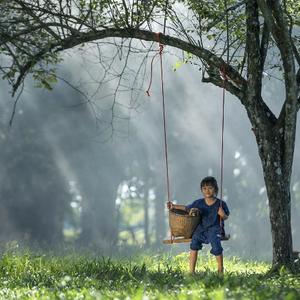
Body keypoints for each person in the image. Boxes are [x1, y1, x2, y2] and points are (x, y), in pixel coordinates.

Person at [167, 176, 230, 274]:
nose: (207, 191)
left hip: (215, 228)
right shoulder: (199, 203)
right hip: (201, 228)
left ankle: (220, 269)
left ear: (215, 189)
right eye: (204, 188)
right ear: (201, 190)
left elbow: (226, 216)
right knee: (194, 242)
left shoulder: (220, 204)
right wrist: (174, 206)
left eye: (210, 188)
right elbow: (186, 208)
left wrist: (223, 215)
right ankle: (191, 271)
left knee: (216, 243)